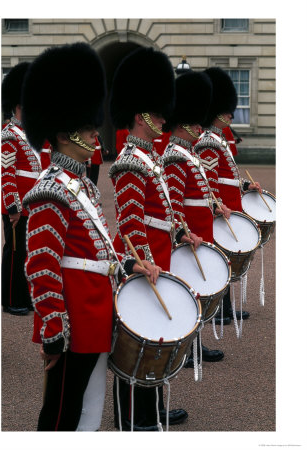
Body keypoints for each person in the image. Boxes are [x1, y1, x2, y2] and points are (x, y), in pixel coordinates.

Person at [21, 42, 160, 432]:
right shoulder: (51, 190)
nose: (94, 134)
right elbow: (41, 266)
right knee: (62, 413)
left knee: (89, 408)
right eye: (86, 128)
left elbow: (98, 250)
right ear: (65, 135)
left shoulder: (81, 186)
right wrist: (53, 331)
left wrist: (132, 263)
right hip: (73, 320)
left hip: (95, 311)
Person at [109, 47, 199, 431]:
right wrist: (143, 262)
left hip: (158, 254)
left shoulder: (151, 157)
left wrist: (181, 231)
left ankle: (153, 411)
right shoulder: (130, 161)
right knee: (136, 342)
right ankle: (131, 417)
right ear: (140, 114)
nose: (164, 117)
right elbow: (131, 224)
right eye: (158, 112)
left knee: (155, 336)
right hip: (141, 258)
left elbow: (161, 211)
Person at [162, 70, 231, 365]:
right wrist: (182, 232)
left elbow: (202, 190)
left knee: (198, 293)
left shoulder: (187, 153)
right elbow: (174, 203)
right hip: (190, 234)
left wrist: (216, 204)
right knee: (188, 294)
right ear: (183, 122)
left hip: (201, 230)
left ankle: (196, 346)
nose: (200, 126)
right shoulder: (177, 155)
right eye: (195, 122)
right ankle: (186, 350)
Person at [194, 67, 261, 323]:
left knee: (227, 261)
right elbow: (209, 182)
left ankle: (227, 308)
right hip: (219, 208)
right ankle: (221, 310)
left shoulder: (219, 139)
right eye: (225, 111)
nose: (230, 115)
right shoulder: (210, 141)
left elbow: (227, 176)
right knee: (221, 260)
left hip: (228, 205)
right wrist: (217, 205)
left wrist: (245, 186)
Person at [1, 62, 51, 316]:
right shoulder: (9, 134)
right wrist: (13, 206)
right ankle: (11, 298)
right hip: (18, 206)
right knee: (15, 253)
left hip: (33, 204)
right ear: (18, 106)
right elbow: (6, 173)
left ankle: (25, 296)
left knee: (29, 253)